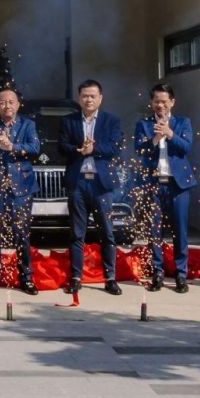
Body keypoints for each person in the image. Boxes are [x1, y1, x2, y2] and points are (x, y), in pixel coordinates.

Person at [61, 79, 124, 295]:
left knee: (107, 232)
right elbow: (62, 146)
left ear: (100, 98)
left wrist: (93, 149)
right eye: (85, 96)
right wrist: (79, 150)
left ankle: (110, 278)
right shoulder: (69, 120)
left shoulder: (111, 120)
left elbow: (115, 148)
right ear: (79, 98)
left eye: (92, 96)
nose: (88, 100)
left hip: (101, 184)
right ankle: (76, 277)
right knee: (77, 233)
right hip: (78, 182)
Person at [0, 86, 40, 295]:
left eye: (11, 102)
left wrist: (12, 146)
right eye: (2, 102)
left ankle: (26, 277)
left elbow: (35, 148)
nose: (7, 106)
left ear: (18, 105)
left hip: (21, 187)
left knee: (22, 233)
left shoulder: (28, 125)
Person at [135, 83, 197, 293]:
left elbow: (186, 147)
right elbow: (139, 150)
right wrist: (155, 139)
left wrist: (170, 134)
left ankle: (181, 274)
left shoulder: (182, 122)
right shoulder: (144, 124)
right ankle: (157, 272)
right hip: (153, 184)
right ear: (151, 102)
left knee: (180, 230)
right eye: (156, 101)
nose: (160, 105)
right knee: (154, 230)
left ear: (172, 102)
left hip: (178, 184)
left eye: (164, 101)